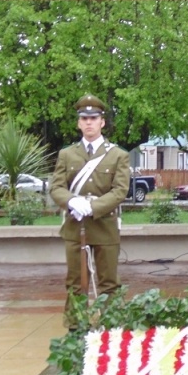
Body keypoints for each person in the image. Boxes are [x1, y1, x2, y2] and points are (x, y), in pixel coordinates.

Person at [49, 94, 131, 329]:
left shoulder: (118, 155)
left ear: (102, 122)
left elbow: (120, 191)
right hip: (76, 227)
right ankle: (76, 329)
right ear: (78, 123)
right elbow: (56, 187)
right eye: (84, 118)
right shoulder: (67, 154)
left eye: (93, 118)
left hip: (104, 225)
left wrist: (92, 207)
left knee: (109, 283)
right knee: (76, 282)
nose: (88, 122)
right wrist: (72, 202)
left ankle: (112, 327)